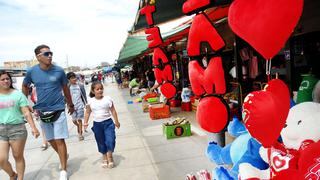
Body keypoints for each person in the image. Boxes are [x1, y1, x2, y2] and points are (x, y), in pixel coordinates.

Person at [22, 44, 74, 180]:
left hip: (58, 108)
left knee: (59, 139)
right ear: (38, 57)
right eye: (46, 54)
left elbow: (65, 88)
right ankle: (63, 156)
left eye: (51, 53)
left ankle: (63, 169)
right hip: (42, 111)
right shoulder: (31, 72)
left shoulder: (59, 71)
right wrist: (25, 103)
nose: (50, 55)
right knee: (50, 140)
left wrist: (70, 104)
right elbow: (24, 85)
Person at [0, 71, 40, 180]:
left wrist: (34, 128)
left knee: (17, 156)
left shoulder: (18, 94)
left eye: (7, 79)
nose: (6, 81)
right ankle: (12, 175)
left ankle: (20, 178)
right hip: (1, 130)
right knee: (1, 159)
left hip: (17, 129)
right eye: (2, 79)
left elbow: (26, 112)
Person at [84, 81, 120, 169]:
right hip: (97, 125)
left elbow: (113, 111)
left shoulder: (108, 99)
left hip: (108, 123)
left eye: (101, 89)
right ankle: (104, 157)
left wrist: (116, 121)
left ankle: (110, 156)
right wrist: (85, 122)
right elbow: (87, 112)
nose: (100, 90)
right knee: (100, 142)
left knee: (110, 140)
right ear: (93, 91)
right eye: (97, 89)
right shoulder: (90, 101)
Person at [66, 72, 87, 141]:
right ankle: (78, 126)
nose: (74, 79)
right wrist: (68, 106)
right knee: (74, 120)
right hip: (72, 106)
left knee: (79, 119)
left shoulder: (80, 85)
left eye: (75, 77)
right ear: (69, 79)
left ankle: (80, 134)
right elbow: (65, 97)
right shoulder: (67, 87)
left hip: (80, 105)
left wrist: (86, 103)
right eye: (72, 78)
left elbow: (84, 95)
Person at [30, 85, 49, 150]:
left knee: (49, 126)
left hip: (49, 109)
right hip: (40, 110)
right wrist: (36, 111)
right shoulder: (34, 89)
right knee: (43, 126)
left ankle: (49, 140)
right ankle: (45, 142)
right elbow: (34, 101)